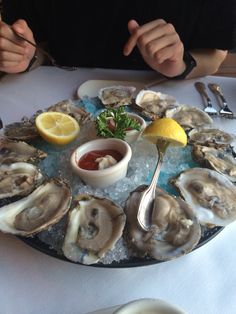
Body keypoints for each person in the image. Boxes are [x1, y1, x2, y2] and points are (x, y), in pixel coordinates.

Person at [0, 0, 236, 79]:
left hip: (167, 96)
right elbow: (38, 46)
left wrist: (183, 65)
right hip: (59, 99)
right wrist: (25, 56)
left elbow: (215, 54)